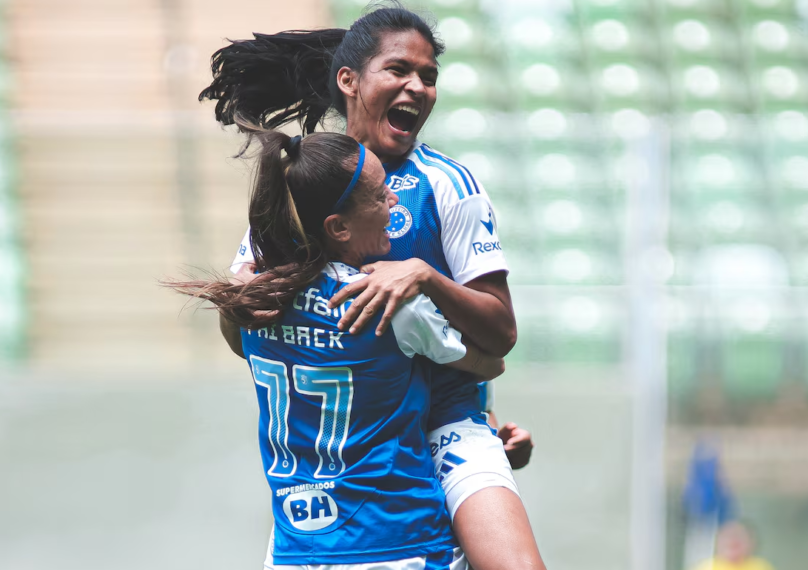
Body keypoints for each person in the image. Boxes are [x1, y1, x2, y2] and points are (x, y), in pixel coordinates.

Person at [200, 6, 545, 568]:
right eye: (399, 70)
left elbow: (501, 334)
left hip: (446, 426)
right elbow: (244, 331)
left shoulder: (448, 184)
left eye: (429, 76)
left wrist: (425, 278)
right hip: (345, 455)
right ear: (349, 80)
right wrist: (245, 299)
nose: (418, 86)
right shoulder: (304, 183)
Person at [168, 127, 504, 567]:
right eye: (381, 195)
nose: (394, 202)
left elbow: (240, 337)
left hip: (296, 551)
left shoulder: (252, 303)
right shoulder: (387, 304)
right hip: (398, 544)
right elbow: (490, 362)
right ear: (338, 227)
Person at [690, 521, 775, 570]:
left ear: (751, 543)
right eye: (727, 536)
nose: (732, 541)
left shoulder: (761, 566)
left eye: (739, 536)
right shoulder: (706, 567)